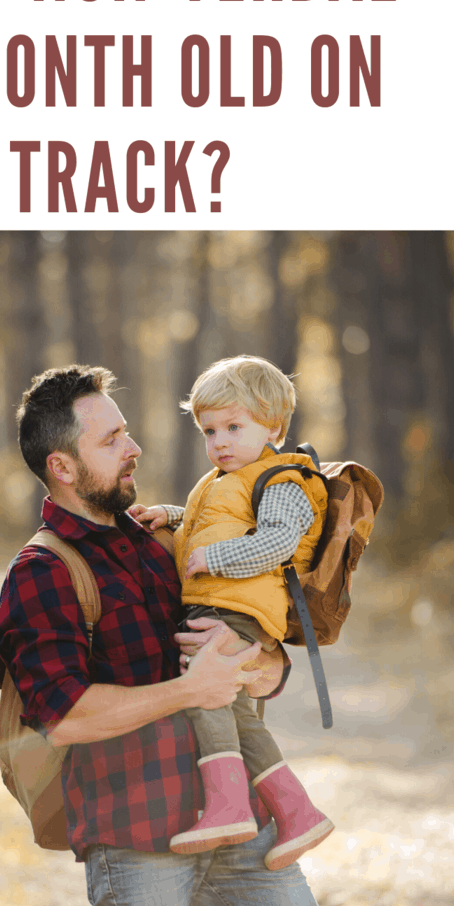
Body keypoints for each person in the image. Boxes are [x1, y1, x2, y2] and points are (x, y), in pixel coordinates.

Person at [0, 364, 320, 906]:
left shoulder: (163, 541)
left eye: (126, 431)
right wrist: (192, 691)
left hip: (247, 832)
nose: (134, 447)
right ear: (63, 467)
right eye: (113, 439)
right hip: (139, 844)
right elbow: (64, 716)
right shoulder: (43, 571)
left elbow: (260, 662)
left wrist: (261, 664)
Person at [129, 355, 334, 868]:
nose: (219, 441)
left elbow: (279, 541)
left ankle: (227, 805)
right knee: (235, 712)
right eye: (209, 430)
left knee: (204, 691)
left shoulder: (284, 480)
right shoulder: (226, 478)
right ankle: (297, 811)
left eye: (234, 427)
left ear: (275, 427)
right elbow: (213, 520)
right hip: (221, 604)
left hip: (241, 609)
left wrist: (213, 558)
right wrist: (171, 515)